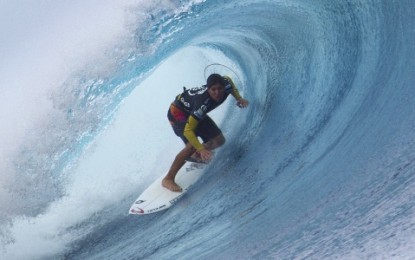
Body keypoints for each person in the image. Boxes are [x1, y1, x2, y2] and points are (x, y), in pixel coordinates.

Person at [162, 73, 249, 192]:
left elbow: (229, 81)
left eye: (219, 88)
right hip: (178, 113)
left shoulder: (227, 84)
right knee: (192, 145)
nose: (217, 92)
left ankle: (196, 155)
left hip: (191, 110)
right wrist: (201, 148)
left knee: (219, 140)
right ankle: (168, 179)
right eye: (213, 89)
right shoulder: (202, 103)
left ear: (224, 87)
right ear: (208, 90)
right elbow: (188, 131)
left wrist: (239, 98)